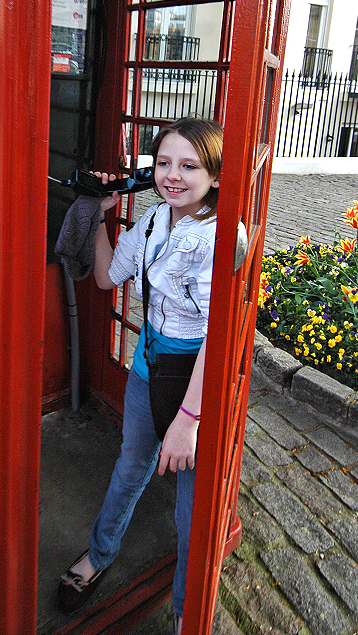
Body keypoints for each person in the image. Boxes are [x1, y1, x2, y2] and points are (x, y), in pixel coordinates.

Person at [58, 117, 223, 635]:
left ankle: (184, 612)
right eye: (164, 163)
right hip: (147, 368)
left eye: (189, 166)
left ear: (215, 176)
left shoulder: (224, 235)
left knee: (191, 510)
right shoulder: (152, 221)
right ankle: (100, 553)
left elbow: (220, 337)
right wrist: (102, 215)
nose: (173, 176)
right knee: (130, 467)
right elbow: (107, 277)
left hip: (197, 381)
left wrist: (188, 421)